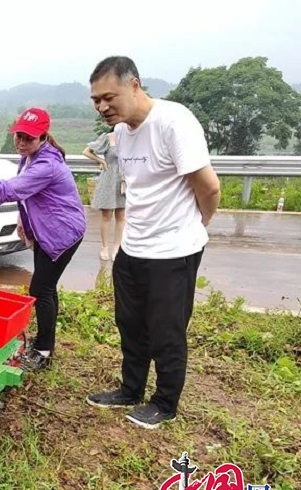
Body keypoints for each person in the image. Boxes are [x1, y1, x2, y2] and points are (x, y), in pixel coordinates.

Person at [86, 56, 220, 429]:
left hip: (174, 249)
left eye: (108, 97)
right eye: (96, 100)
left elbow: (209, 187)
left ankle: (165, 402)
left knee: (167, 328)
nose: (102, 107)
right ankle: (131, 389)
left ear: (134, 85)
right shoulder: (122, 133)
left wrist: (199, 222)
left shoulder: (174, 122)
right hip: (134, 246)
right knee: (129, 322)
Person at [0, 108, 85, 370]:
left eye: (28, 138)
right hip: (48, 230)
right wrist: (24, 220)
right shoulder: (31, 157)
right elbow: (27, 193)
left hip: (62, 232)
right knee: (46, 288)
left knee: (40, 290)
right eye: (18, 136)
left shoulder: (47, 165)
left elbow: (10, 189)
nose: (21, 142)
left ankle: (43, 351)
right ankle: (46, 342)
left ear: (43, 136)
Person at [83, 128, 126, 261]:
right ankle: (104, 247)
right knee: (106, 215)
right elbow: (86, 151)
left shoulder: (131, 137)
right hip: (109, 178)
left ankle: (117, 247)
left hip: (124, 180)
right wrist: (101, 161)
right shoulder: (108, 137)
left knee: (121, 216)